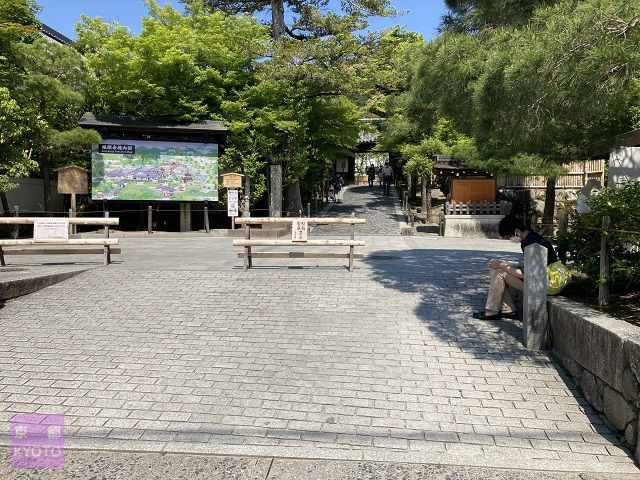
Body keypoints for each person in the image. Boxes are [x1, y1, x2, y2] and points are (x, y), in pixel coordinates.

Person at [472, 215, 558, 320]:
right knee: (497, 270)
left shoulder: (533, 243)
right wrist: (503, 264)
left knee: (499, 272)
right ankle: (507, 309)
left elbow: (526, 274)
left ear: (517, 231)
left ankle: (492, 311)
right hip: (539, 280)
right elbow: (529, 267)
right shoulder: (529, 239)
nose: (509, 239)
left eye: (509, 236)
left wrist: (502, 265)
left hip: (541, 286)